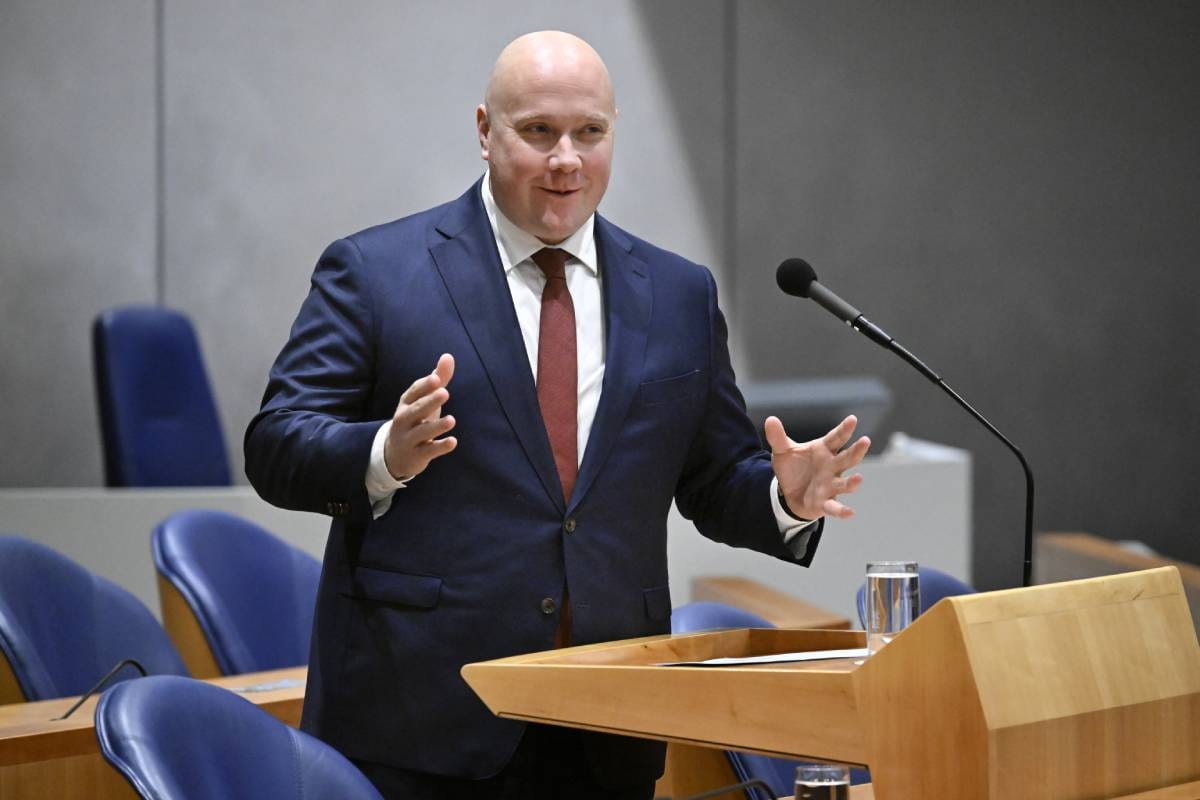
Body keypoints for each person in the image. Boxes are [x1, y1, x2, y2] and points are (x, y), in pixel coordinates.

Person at [245, 30, 869, 800]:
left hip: (604, 721)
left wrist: (785, 497)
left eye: (590, 133)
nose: (565, 159)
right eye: (538, 131)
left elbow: (711, 481)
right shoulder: (376, 272)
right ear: (484, 130)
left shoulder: (678, 294)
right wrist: (383, 454)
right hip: (420, 718)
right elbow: (276, 443)